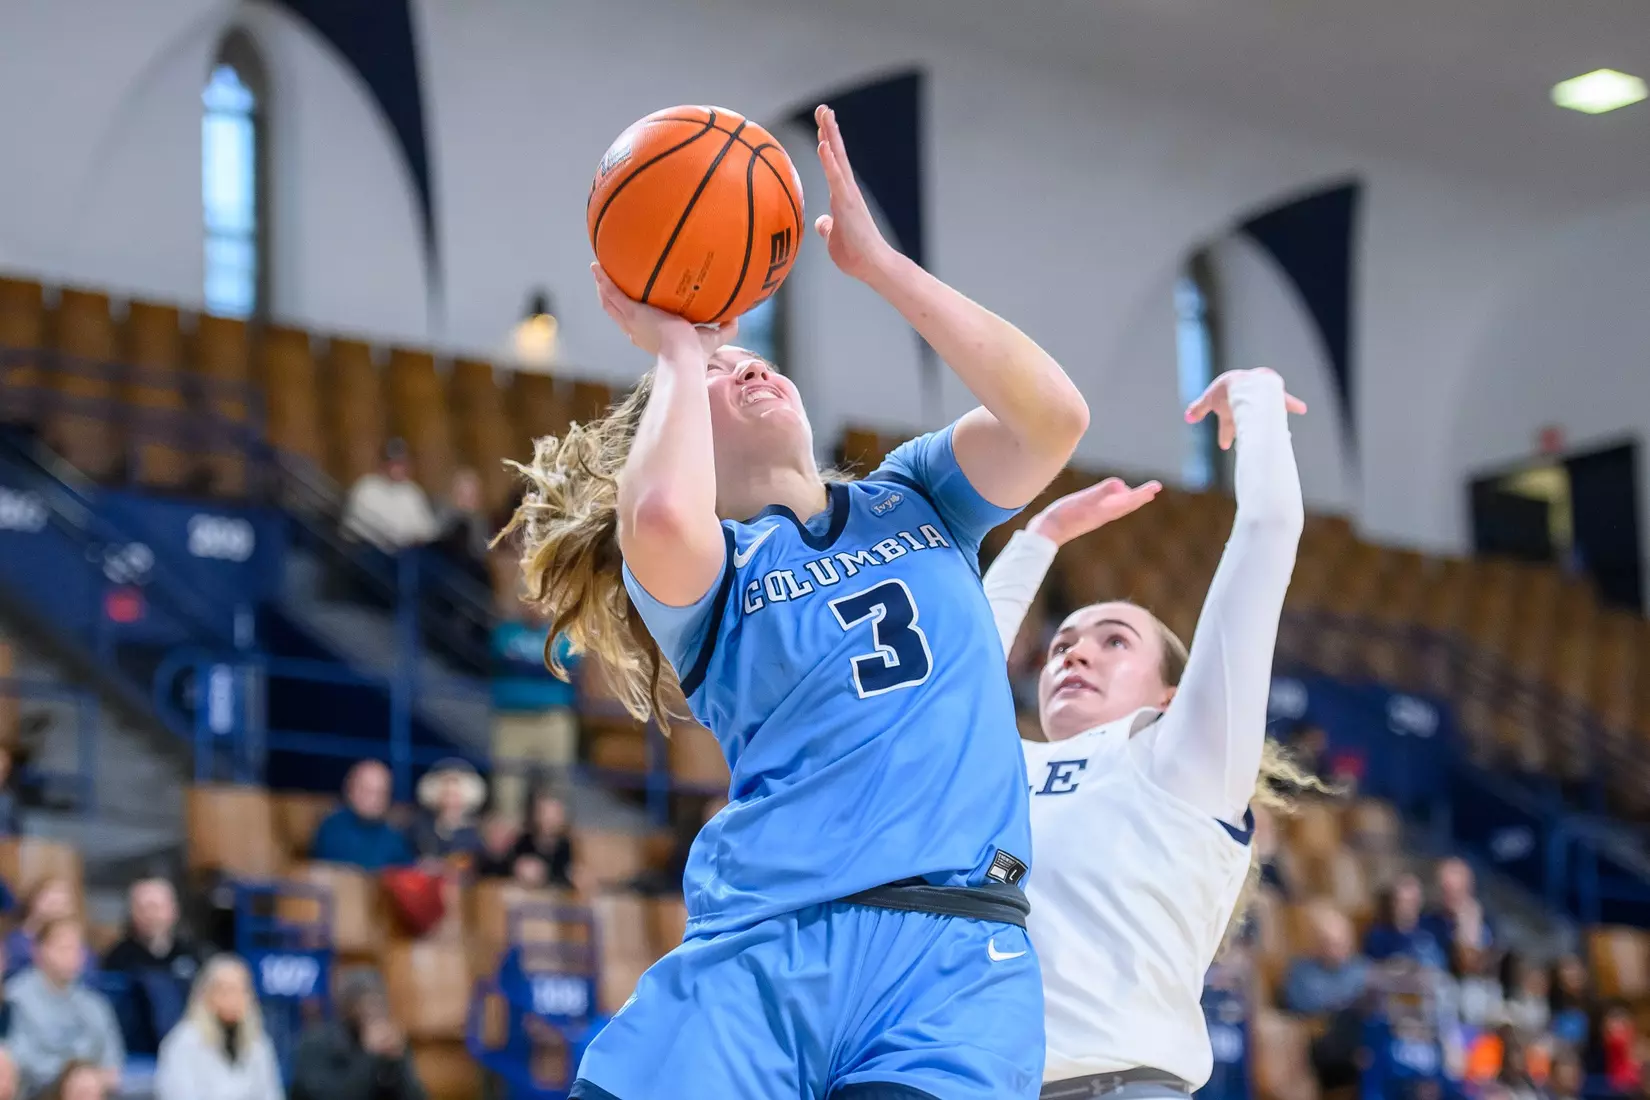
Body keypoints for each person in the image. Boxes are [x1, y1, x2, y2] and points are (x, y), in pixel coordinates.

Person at [503, 103, 1088, 1100]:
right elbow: (658, 510)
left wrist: (881, 267)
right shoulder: (711, 574)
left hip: (953, 960)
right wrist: (675, 344)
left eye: (746, 356)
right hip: (766, 945)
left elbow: (1052, 418)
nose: (745, 361)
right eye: (719, 373)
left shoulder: (918, 494)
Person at [979, 367, 1318, 1096]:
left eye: (1114, 640)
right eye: (1063, 643)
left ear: (1171, 694)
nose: (1075, 653)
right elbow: (953, 675)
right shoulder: (1000, 766)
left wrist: (1256, 399)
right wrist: (1039, 537)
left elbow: (1267, 533)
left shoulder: (1179, 760)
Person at [5, 919, 123, 1097]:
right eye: (63, 948)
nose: (72, 955)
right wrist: (70, 1077)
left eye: (77, 948)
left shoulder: (95, 1004)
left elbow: (112, 1061)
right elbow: (18, 1059)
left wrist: (93, 1078)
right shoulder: (15, 997)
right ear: (39, 951)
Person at [153, 955, 283, 1100]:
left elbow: (272, 1094)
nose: (234, 998)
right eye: (226, 990)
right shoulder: (183, 1042)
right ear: (207, 993)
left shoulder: (258, 1043)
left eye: (242, 990)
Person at [100, 877, 205, 1055]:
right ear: (132, 913)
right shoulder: (118, 958)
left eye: (156, 907)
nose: (151, 915)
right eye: (143, 908)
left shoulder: (194, 954)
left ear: (173, 909)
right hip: (136, 1051)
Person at [289, 969, 425, 1100]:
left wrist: (395, 1064)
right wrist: (371, 1057)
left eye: (378, 1003)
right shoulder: (315, 1044)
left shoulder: (389, 1041)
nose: (373, 1011)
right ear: (347, 1007)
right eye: (366, 1003)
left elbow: (416, 1097)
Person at [310, 761, 414, 871]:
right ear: (351, 790)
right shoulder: (332, 828)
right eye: (368, 791)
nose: (375, 799)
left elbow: (408, 869)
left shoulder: (393, 835)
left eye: (381, 792)